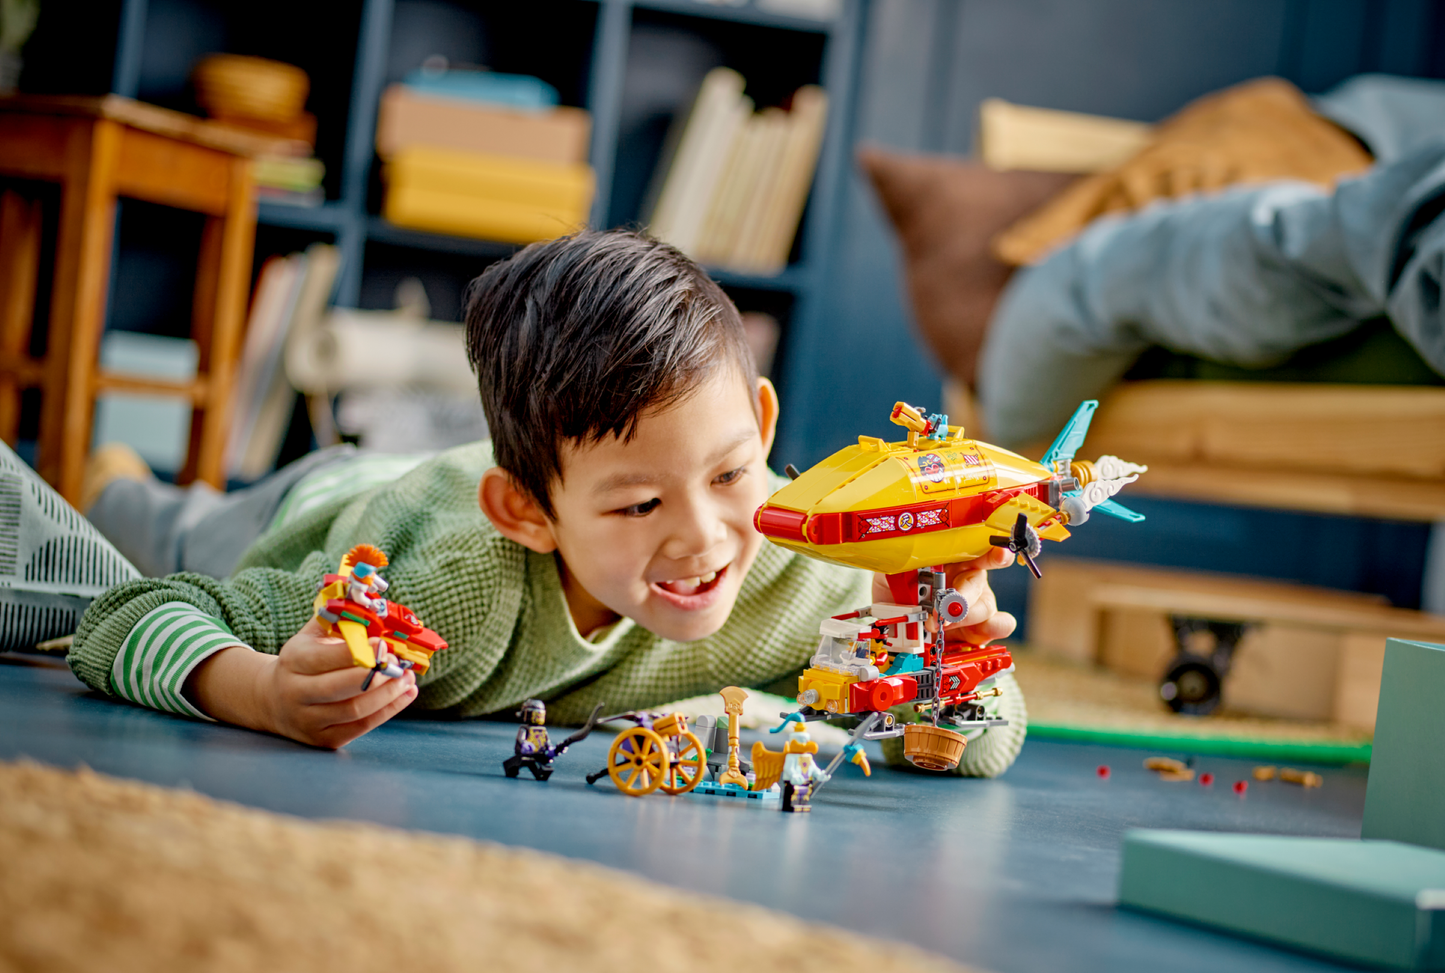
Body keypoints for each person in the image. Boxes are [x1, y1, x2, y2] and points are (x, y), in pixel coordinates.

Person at [71, 230, 1024, 774]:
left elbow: (980, 745)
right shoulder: (442, 593)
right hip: (323, 505)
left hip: (466, 482)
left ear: (763, 426)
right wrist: (267, 693)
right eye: (639, 504)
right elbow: (121, 619)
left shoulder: (802, 572)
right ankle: (113, 469)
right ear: (524, 512)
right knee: (146, 527)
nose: (703, 538)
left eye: (730, 474)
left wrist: (949, 660)